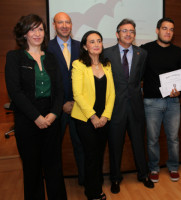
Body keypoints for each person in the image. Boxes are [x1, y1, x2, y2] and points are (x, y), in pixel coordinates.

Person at [5, 14, 67, 200]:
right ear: (24, 33)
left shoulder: (51, 58)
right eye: (32, 29)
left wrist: (54, 114)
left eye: (40, 29)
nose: (37, 33)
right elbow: (15, 92)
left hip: (51, 117)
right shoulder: (15, 57)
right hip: (27, 119)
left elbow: (59, 91)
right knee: (32, 168)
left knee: (54, 166)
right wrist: (36, 117)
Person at [103, 19, 154, 194]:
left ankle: (143, 174)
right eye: (124, 31)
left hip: (135, 107)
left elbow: (139, 78)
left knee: (139, 143)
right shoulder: (106, 53)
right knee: (115, 144)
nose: (128, 34)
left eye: (131, 31)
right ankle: (115, 178)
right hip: (115, 108)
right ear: (117, 34)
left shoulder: (142, 53)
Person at [141, 17, 181, 182]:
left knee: (173, 138)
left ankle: (173, 167)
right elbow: (139, 75)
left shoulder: (179, 52)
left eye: (171, 29)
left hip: (173, 102)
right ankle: (154, 168)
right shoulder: (145, 50)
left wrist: (179, 91)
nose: (168, 32)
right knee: (152, 139)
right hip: (151, 102)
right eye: (165, 28)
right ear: (157, 30)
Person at [71, 30, 115, 200]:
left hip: (104, 119)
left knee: (99, 154)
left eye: (99, 41)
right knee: (91, 155)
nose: (96, 44)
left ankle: (95, 186)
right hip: (85, 119)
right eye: (92, 41)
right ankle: (93, 193)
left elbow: (112, 94)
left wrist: (105, 116)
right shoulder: (78, 65)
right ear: (85, 46)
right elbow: (78, 94)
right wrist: (93, 117)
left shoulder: (107, 65)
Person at [47, 12, 85, 185]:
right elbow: (47, 79)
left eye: (67, 22)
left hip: (79, 106)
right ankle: (55, 184)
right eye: (60, 22)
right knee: (53, 148)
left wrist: (75, 101)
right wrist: (61, 102)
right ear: (54, 25)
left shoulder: (81, 47)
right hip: (56, 107)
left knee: (81, 146)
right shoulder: (46, 47)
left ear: (71, 25)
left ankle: (85, 182)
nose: (64, 25)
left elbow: (86, 77)